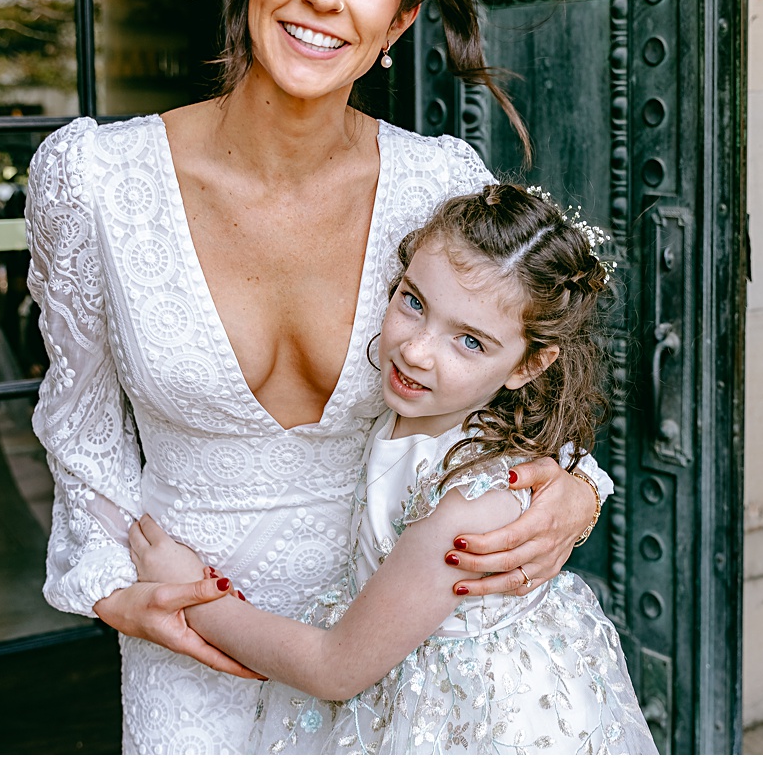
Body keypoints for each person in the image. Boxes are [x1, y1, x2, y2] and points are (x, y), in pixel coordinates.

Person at [25, 0, 607, 753]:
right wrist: (118, 590)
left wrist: (574, 489)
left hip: (396, 657)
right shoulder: (94, 181)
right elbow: (81, 423)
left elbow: (506, 368)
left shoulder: (438, 184)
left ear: (401, 21)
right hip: (189, 634)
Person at [129, 186, 658, 755]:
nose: (417, 351)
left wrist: (190, 595)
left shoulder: (470, 505)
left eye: (470, 341)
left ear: (529, 365)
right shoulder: (424, 412)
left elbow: (336, 669)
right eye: (413, 302)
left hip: (463, 723)